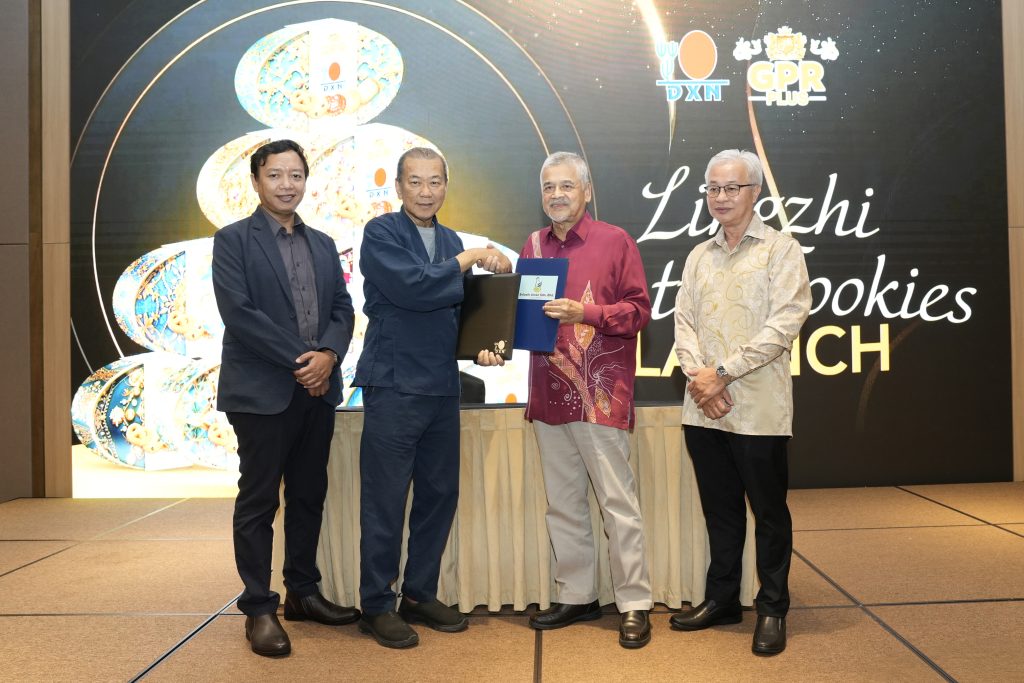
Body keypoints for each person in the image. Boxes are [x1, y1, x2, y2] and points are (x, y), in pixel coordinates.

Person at [484, 151, 654, 648]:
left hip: (600, 396)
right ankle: (577, 595)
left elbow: (638, 312)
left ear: (586, 191)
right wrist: (493, 341)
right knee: (562, 504)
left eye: (566, 186)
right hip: (548, 393)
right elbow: (522, 316)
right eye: (548, 187)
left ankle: (634, 603)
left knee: (617, 504)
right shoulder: (533, 244)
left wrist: (588, 313)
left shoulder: (615, 241)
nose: (557, 195)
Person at [354, 147, 511, 649]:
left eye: (435, 182)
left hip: (442, 383)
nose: (426, 192)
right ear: (398, 187)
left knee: (439, 494)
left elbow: (462, 314)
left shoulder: (450, 239)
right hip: (394, 383)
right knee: (385, 499)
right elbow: (414, 288)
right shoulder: (381, 233)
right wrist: (470, 258)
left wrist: (484, 346)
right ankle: (376, 604)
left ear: (446, 185)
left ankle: (419, 594)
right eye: (415, 182)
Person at [212, 139, 358, 657]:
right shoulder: (233, 240)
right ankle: (258, 607)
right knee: (258, 501)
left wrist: (329, 356)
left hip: (318, 391)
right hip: (262, 393)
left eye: (295, 175)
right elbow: (240, 314)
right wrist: (305, 362)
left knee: (308, 494)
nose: (286, 184)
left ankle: (303, 592)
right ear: (256, 181)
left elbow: (342, 308)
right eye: (275, 175)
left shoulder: (323, 243)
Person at [672, 149, 811, 656]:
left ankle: (772, 608)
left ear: (755, 192)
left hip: (759, 409)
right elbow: (683, 322)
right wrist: (700, 379)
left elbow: (784, 324)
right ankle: (723, 599)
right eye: (713, 188)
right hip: (703, 407)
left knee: (769, 514)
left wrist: (722, 374)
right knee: (721, 512)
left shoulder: (781, 250)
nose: (721, 197)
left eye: (732, 188)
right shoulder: (697, 255)